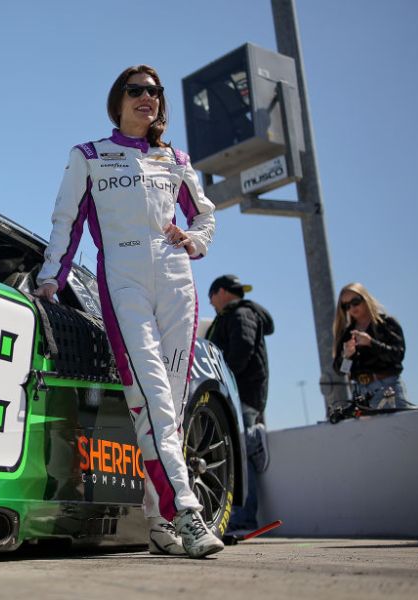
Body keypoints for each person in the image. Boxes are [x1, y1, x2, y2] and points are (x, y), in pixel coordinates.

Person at [34, 65, 222, 558]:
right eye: (137, 91)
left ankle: (159, 526)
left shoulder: (174, 159)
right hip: (124, 280)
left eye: (155, 92)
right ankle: (187, 511)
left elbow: (205, 212)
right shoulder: (90, 156)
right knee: (152, 398)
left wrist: (195, 240)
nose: (148, 98)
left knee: (173, 409)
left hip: (177, 280)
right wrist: (51, 274)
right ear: (118, 100)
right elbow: (67, 219)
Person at [205, 274, 274, 533]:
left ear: (220, 291)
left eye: (211, 298)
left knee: (239, 455)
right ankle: (252, 439)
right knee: (232, 453)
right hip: (242, 395)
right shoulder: (238, 315)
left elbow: (241, 350)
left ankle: (244, 518)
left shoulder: (239, 314)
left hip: (240, 395)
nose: (211, 304)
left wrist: (224, 384)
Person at [332, 283, 412, 409]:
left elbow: (398, 355)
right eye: (346, 305)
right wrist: (347, 356)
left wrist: (371, 343)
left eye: (355, 301)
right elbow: (341, 371)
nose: (352, 307)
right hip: (361, 393)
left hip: (388, 387)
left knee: (398, 428)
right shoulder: (347, 334)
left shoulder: (386, 324)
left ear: (365, 299)